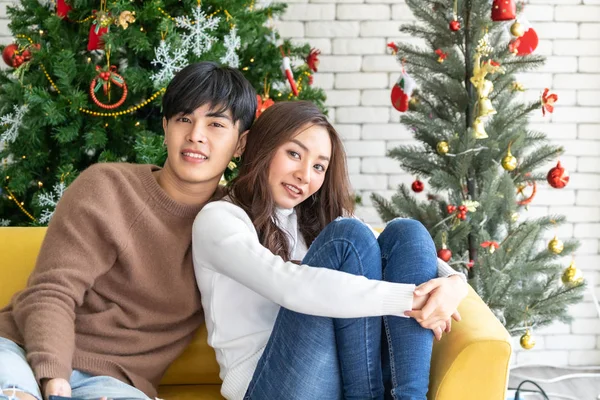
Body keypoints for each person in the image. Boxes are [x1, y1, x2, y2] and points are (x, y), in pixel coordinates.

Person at [0, 61, 257, 400]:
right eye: (184, 119)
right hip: (21, 350)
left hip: (114, 384)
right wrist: (53, 380)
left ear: (240, 144)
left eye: (216, 124)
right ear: (165, 127)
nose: (196, 134)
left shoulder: (235, 224)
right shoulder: (106, 187)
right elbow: (53, 290)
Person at [192, 101, 469, 400]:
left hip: (331, 374)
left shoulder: (311, 219)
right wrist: (408, 298)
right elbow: (290, 287)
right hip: (265, 385)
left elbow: (399, 249)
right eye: (294, 153)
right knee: (348, 239)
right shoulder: (219, 219)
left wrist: (454, 284)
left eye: (319, 166)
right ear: (259, 146)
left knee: (407, 232)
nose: (304, 175)